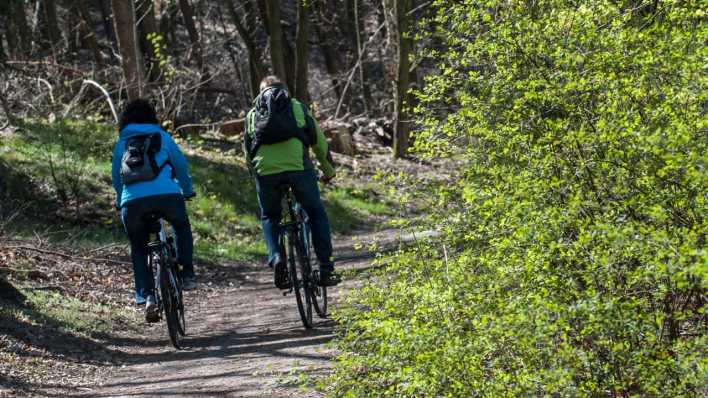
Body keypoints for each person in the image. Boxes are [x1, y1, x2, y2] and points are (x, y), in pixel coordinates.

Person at [244, 75, 341, 288]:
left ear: (260, 93)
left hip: (266, 172)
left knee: (270, 215)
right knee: (315, 212)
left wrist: (257, 175)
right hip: (298, 169)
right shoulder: (297, 107)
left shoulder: (252, 114)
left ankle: (277, 257)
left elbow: (248, 152)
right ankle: (326, 269)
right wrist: (328, 170)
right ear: (285, 89)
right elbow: (318, 141)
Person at [111, 99, 197, 322]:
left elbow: (117, 178)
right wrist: (186, 190)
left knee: (139, 248)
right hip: (168, 197)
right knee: (180, 225)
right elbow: (181, 166)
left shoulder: (122, 143)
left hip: (133, 204)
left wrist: (122, 201)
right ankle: (187, 273)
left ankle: (147, 296)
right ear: (152, 116)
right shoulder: (163, 137)